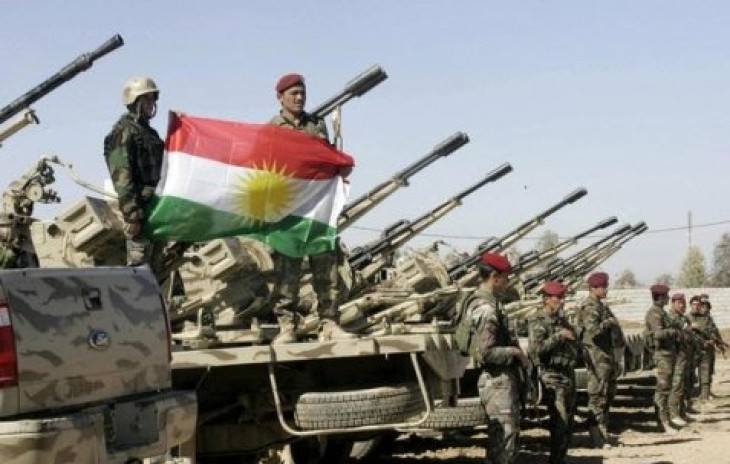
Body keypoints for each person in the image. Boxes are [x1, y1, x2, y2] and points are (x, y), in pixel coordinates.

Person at [268, 73, 353, 344]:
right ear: (280, 97)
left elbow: (325, 157)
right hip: (289, 210)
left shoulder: (316, 125)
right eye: (293, 93)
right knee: (287, 272)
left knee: (326, 268)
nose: (299, 98)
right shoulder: (272, 129)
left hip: (317, 207)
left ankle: (329, 322)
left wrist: (340, 165)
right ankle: (287, 326)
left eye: (302, 93)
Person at [460, 252, 530, 464]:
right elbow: (486, 352)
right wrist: (515, 353)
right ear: (494, 277)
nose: (508, 282)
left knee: (500, 441)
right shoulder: (486, 309)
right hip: (497, 382)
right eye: (506, 277)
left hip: (498, 381)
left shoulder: (488, 303)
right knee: (505, 444)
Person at [103, 76, 165, 274]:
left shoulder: (150, 134)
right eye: (146, 99)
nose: (151, 103)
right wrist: (132, 215)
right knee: (140, 273)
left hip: (156, 210)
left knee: (156, 274)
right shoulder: (124, 132)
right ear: (134, 101)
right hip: (140, 212)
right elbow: (122, 177)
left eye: (152, 99)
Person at [527, 281, 579, 464]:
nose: (562, 301)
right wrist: (559, 336)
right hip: (552, 375)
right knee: (560, 420)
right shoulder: (538, 321)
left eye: (563, 297)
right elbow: (536, 350)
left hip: (567, 374)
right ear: (547, 299)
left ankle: (561, 457)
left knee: (569, 422)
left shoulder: (562, 320)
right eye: (558, 297)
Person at [576, 271, 624, 446]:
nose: (606, 289)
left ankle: (603, 432)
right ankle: (597, 437)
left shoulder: (601, 306)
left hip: (605, 356)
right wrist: (608, 323)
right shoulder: (590, 307)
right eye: (603, 286)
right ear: (593, 288)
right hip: (596, 357)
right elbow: (593, 331)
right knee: (598, 396)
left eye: (606, 286)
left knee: (607, 395)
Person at [644, 284, 680, 432]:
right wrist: (674, 332)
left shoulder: (661, 312)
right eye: (666, 296)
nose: (668, 298)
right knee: (662, 389)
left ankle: (665, 420)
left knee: (666, 388)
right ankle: (663, 421)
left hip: (668, 354)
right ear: (659, 297)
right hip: (662, 354)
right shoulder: (654, 313)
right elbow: (658, 334)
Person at [666, 292, 695, 424]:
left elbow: (689, 334)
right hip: (675, 356)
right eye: (679, 303)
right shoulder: (670, 317)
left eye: (683, 303)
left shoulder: (683, 318)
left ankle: (682, 413)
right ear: (672, 303)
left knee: (683, 385)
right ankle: (674, 414)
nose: (682, 305)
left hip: (684, 355)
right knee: (676, 385)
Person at [691, 295, 720, 406]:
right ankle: (689, 399)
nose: (700, 307)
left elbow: (712, 331)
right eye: (696, 305)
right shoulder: (687, 318)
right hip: (692, 351)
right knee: (688, 376)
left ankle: (704, 398)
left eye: (701, 305)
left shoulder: (706, 318)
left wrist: (713, 341)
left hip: (705, 350)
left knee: (705, 375)